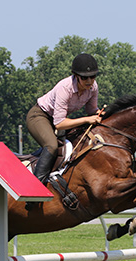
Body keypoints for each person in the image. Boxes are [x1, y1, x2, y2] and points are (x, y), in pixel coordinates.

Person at [26, 53, 102, 186]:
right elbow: (60, 124)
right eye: (85, 78)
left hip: (59, 119)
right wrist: (87, 119)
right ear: (76, 76)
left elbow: (92, 110)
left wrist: (101, 114)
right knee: (52, 145)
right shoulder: (64, 88)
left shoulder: (93, 87)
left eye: (93, 76)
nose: (89, 81)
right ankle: (36, 187)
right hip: (39, 116)